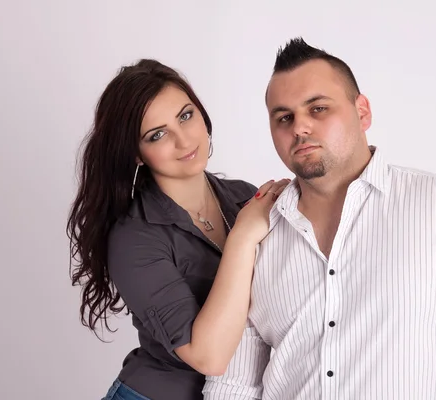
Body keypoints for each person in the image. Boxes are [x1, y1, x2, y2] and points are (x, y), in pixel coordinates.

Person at [203, 38, 436, 400]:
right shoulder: (257, 235)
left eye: (317, 109)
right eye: (284, 117)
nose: (299, 127)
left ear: (362, 112)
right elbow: (235, 382)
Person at [66, 59, 289, 400]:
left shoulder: (244, 197)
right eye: (157, 135)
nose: (184, 140)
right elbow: (208, 357)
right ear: (136, 153)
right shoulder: (134, 239)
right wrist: (243, 237)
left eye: (185, 116)